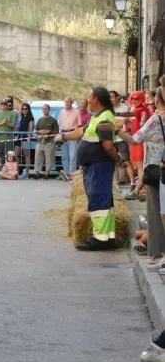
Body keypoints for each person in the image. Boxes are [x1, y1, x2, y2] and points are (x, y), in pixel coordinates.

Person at [56, 87, 120, 251]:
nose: (87, 99)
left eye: (89, 97)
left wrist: (117, 160)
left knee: (98, 201)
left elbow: (108, 146)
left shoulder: (104, 118)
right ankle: (108, 237)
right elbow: (80, 132)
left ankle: (99, 239)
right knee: (104, 201)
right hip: (96, 166)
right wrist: (63, 137)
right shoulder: (98, 116)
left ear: (96, 99)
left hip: (99, 166)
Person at [108, 87, 165, 269]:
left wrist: (115, 130)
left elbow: (135, 139)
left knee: (156, 215)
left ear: (158, 99)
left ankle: (157, 253)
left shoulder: (156, 120)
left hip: (156, 172)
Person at [111, 90, 135, 190]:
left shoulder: (124, 107)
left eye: (112, 97)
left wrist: (112, 123)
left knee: (126, 161)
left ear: (117, 97)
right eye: (109, 97)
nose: (110, 99)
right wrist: (116, 122)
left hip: (122, 138)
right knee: (113, 162)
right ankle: (116, 184)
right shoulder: (108, 109)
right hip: (111, 139)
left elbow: (123, 123)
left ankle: (132, 183)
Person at [58, 97, 82, 179]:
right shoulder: (61, 112)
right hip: (63, 134)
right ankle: (65, 174)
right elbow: (59, 124)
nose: (67, 103)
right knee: (64, 156)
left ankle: (72, 175)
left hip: (72, 134)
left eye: (69, 102)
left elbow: (79, 125)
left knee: (72, 156)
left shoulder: (77, 111)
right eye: (66, 102)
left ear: (71, 103)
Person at [34, 104, 59, 180]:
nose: (44, 110)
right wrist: (40, 132)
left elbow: (56, 131)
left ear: (49, 109)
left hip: (49, 142)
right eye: (43, 109)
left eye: (46, 109)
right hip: (40, 142)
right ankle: (37, 173)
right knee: (38, 158)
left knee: (49, 158)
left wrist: (49, 132)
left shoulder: (53, 120)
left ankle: (46, 173)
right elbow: (36, 130)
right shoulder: (39, 120)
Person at [15, 103, 34, 179]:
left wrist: (29, 137)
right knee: (16, 154)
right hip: (19, 137)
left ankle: (26, 172)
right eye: (22, 109)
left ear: (28, 110)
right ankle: (16, 171)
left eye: (25, 109)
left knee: (27, 156)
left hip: (26, 138)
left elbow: (31, 129)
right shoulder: (22, 117)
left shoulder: (30, 118)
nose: (24, 110)